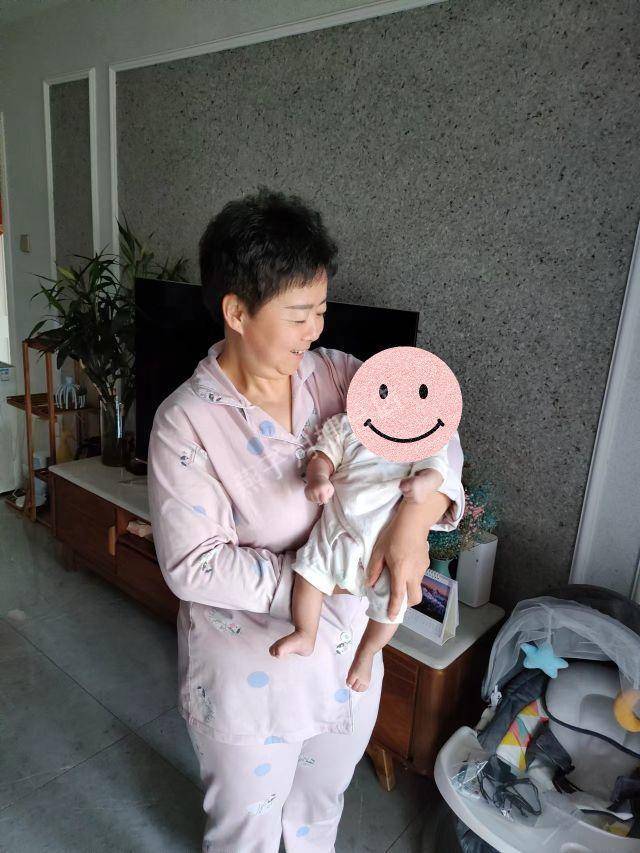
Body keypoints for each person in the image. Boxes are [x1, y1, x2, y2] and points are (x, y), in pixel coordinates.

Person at [147, 188, 464, 852]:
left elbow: (433, 426)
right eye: (298, 315)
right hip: (252, 676)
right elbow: (194, 564)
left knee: (320, 808)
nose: (315, 330)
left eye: (321, 310)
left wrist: (416, 516)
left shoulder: (338, 378)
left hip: (348, 662)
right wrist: (323, 577)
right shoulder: (187, 421)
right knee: (248, 831)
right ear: (237, 311)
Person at [269, 412, 459, 693]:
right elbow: (323, 456)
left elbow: (438, 466)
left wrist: (424, 484)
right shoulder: (347, 424)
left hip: (383, 536)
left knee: (393, 599)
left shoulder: (422, 429)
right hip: (338, 527)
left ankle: (367, 652)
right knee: (309, 570)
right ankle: (305, 633)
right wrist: (318, 478)